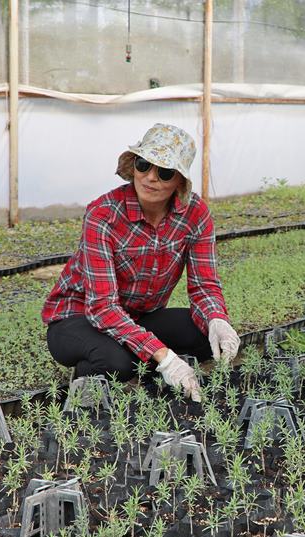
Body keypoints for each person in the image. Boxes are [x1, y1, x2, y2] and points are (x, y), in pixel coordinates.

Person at [40, 123, 241, 402]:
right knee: (116, 363)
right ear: (133, 166)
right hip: (79, 317)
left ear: (180, 181)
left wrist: (217, 319)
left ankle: (140, 356)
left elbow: (203, 285)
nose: (150, 177)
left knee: (207, 336)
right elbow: (102, 307)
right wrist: (164, 356)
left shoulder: (195, 214)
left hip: (138, 316)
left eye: (165, 172)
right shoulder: (104, 214)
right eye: (144, 165)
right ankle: (97, 374)